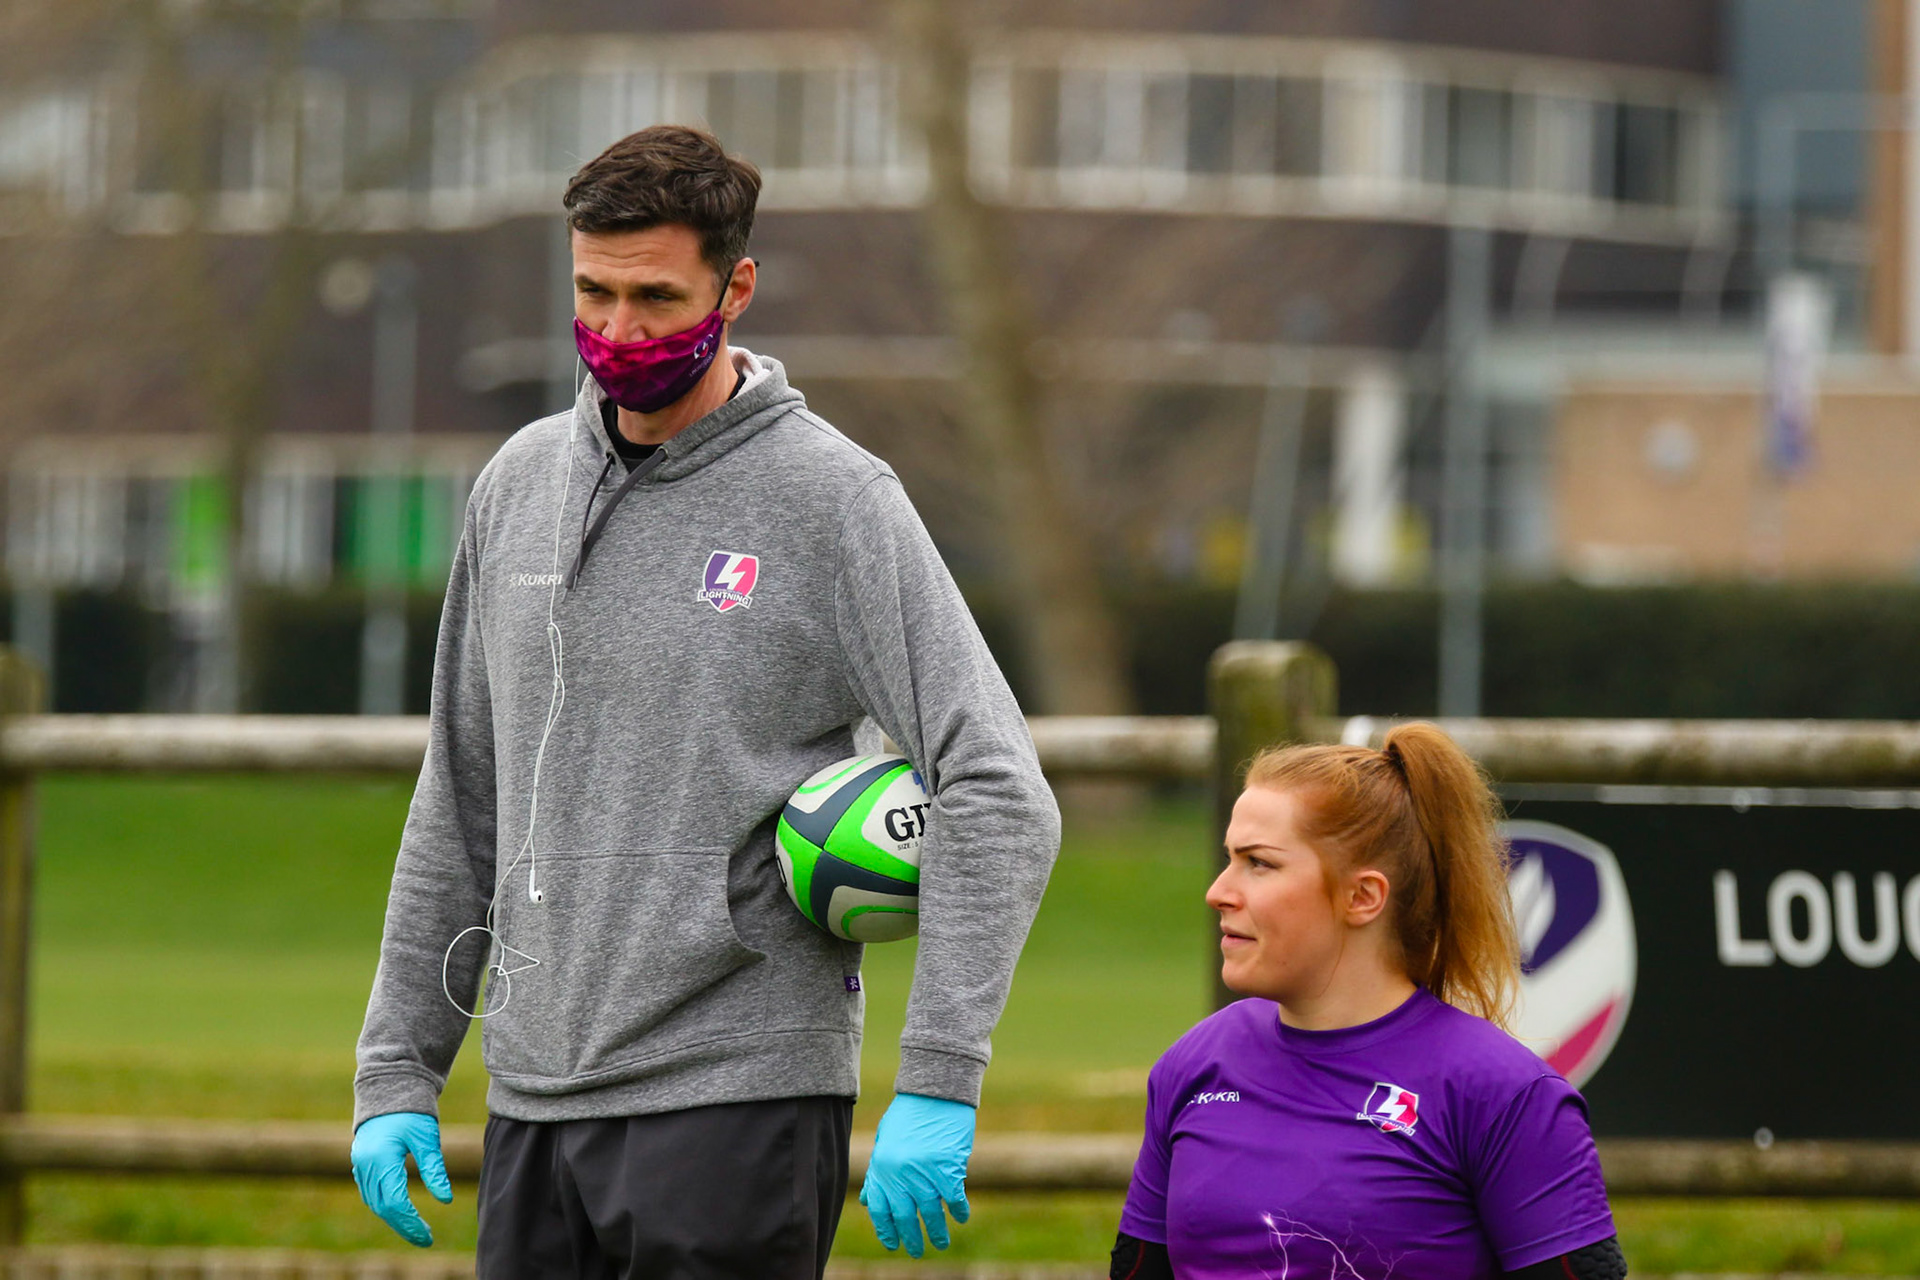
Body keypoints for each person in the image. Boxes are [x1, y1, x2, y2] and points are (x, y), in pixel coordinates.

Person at [348, 124, 1060, 1278]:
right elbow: (461, 792)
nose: (617, 331)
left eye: (656, 298)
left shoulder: (835, 501)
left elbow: (996, 784)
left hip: (738, 1097)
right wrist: (397, 1068)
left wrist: (938, 1076)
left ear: (736, 288)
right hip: (531, 1098)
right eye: (593, 291)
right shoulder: (515, 486)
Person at [1111, 724, 1627, 1280]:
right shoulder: (1194, 1064)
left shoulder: (1506, 1096)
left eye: (1258, 862)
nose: (1218, 891)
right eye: (1229, 858)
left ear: (1363, 897)